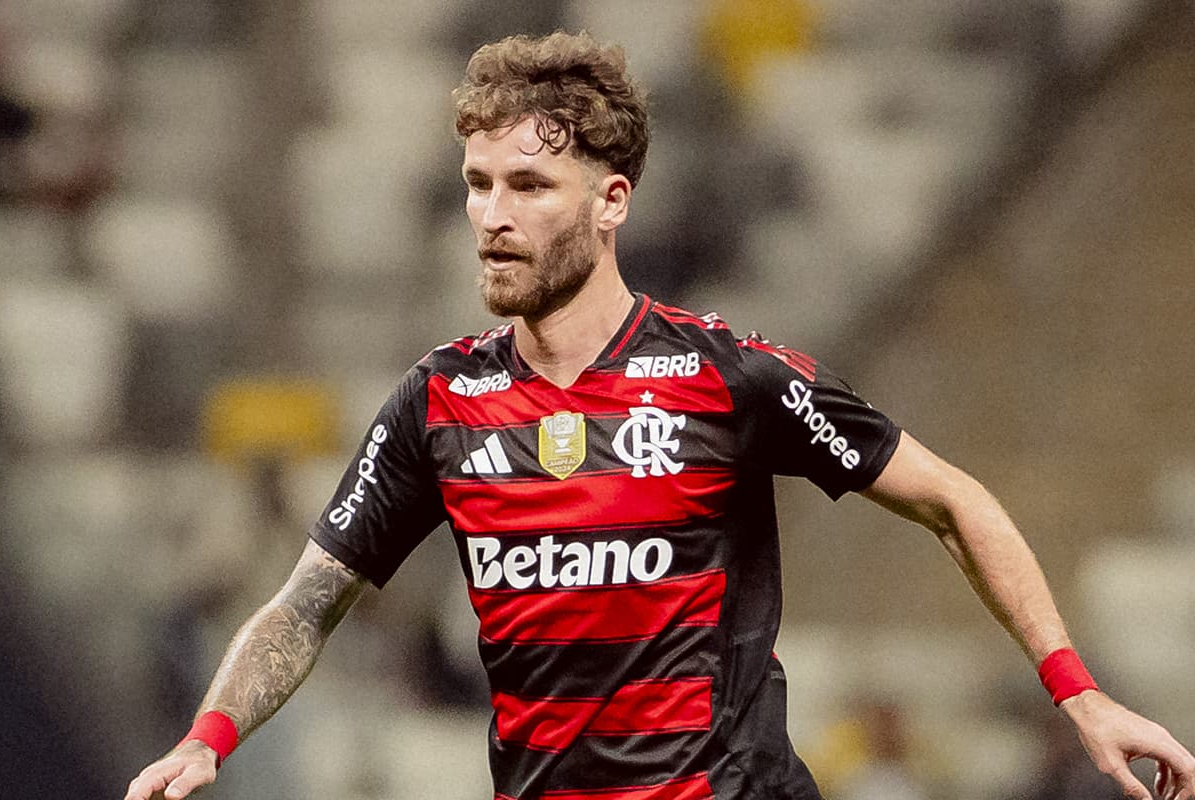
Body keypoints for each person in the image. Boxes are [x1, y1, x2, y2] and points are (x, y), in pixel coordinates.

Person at [125, 30, 1195, 800]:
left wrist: (1081, 694)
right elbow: (308, 601)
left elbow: (957, 503)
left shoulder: (729, 376)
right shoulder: (440, 400)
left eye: (529, 186)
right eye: (477, 182)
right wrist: (209, 734)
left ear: (612, 198)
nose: (491, 216)